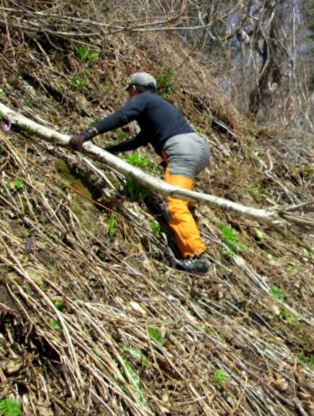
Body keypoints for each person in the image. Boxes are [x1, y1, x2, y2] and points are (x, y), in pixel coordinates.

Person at [69, 72, 211, 274]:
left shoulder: (141, 99)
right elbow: (139, 141)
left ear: (134, 89)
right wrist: (109, 150)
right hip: (198, 148)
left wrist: (89, 133)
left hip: (182, 149)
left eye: (129, 92)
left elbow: (121, 117)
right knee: (184, 198)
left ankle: (196, 257)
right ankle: (191, 226)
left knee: (175, 204)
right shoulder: (157, 107)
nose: (129, 96)